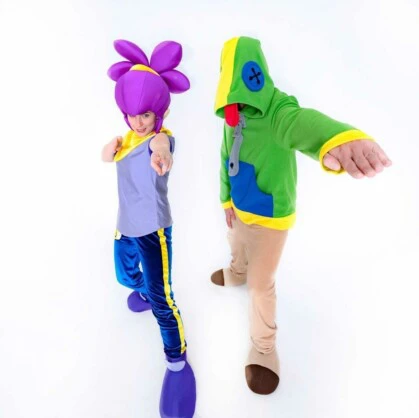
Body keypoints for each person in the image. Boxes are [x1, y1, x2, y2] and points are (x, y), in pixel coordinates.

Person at [211, 36, 392, 395]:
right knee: (235, 242)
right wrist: (225, 200)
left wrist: (337, 138)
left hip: (271, 221)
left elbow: (301, 122)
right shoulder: (231, 117)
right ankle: (237, 270)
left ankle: (264, 349)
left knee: (261, 285)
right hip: (240, 209)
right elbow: (223, 156)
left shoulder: (278, 112)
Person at [103, 39, 196, 418]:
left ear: (161, 111)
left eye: (146, 114)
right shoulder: (126, 139)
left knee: (162, 298)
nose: (139, 122)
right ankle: (142, 289)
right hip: (125, 224)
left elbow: (161, 145)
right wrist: (109, 149)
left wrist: (162, 153)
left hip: (153, 229)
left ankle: (177, 362)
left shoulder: (160, 138)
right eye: (132, 114)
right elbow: (110, 154)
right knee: (124, 276)